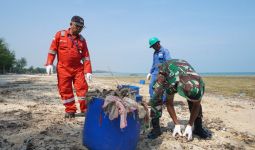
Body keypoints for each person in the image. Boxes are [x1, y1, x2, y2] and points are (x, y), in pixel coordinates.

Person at [147, 59, 211, 140]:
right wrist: (176, 124)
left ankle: (198, 128)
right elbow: (169, 103)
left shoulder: (200, 84)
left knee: (194, 101)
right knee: (157, 95)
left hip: (183, 69)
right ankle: (156, 129)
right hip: (166, 69)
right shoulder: (172, 83)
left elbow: (197, 104)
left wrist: (190, 125)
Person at [45, 16, 93, 119]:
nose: (79, 28)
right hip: (63, 69)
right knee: (65, 90)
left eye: (81, 27)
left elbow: (86, 57)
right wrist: (49, 63)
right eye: (77, 26)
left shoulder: (82, 40)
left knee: (82, 89)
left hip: (78, 69)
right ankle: (70, 110)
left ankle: (85, 109)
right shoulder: (60, 35)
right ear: (71, 24)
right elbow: (52, 51)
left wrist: (88, 71)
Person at [146, 37, 171, 103]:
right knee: (152, 86)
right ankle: (153, 99)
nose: (153, 47)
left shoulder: (165, 51)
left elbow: (169, 62)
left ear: (158, 43)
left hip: (163, 73)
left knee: (163, 87)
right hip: (155, 73)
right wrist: (150, 72)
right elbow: (154, 64)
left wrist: (165, 72)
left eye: (153, 45)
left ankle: (163, 101)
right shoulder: (155, 53)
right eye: (152, 46)